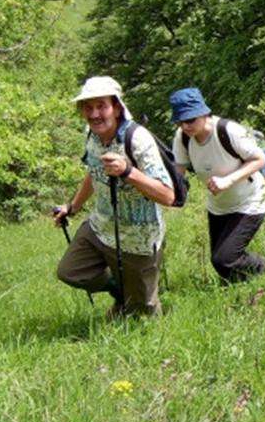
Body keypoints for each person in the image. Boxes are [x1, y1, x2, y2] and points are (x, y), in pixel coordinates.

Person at [54, 76, 175, 318]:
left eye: (101, 106)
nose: (94, 114)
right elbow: (93, 172)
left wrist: (128, 172)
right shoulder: (91, 135)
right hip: (101, 228)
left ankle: (135, 300)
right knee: (69, 271)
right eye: (88, 107)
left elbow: (168, 195)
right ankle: (121, 290)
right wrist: (73, 207)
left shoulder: (138, 140)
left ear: (117, 107)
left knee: (144, 316)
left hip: (139, 238)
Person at [170, 87, 265, 283]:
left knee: (224, 259)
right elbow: (178, 171)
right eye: (180, 121)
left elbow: (260, 159)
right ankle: (243, 287)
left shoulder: (228, 131)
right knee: (221, 262)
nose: (185, 126)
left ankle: (261, 267)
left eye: (190, 120)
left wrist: (228, 180)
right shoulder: (182, 138)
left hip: (249, 201)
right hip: (218, 206)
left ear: (204, 113)